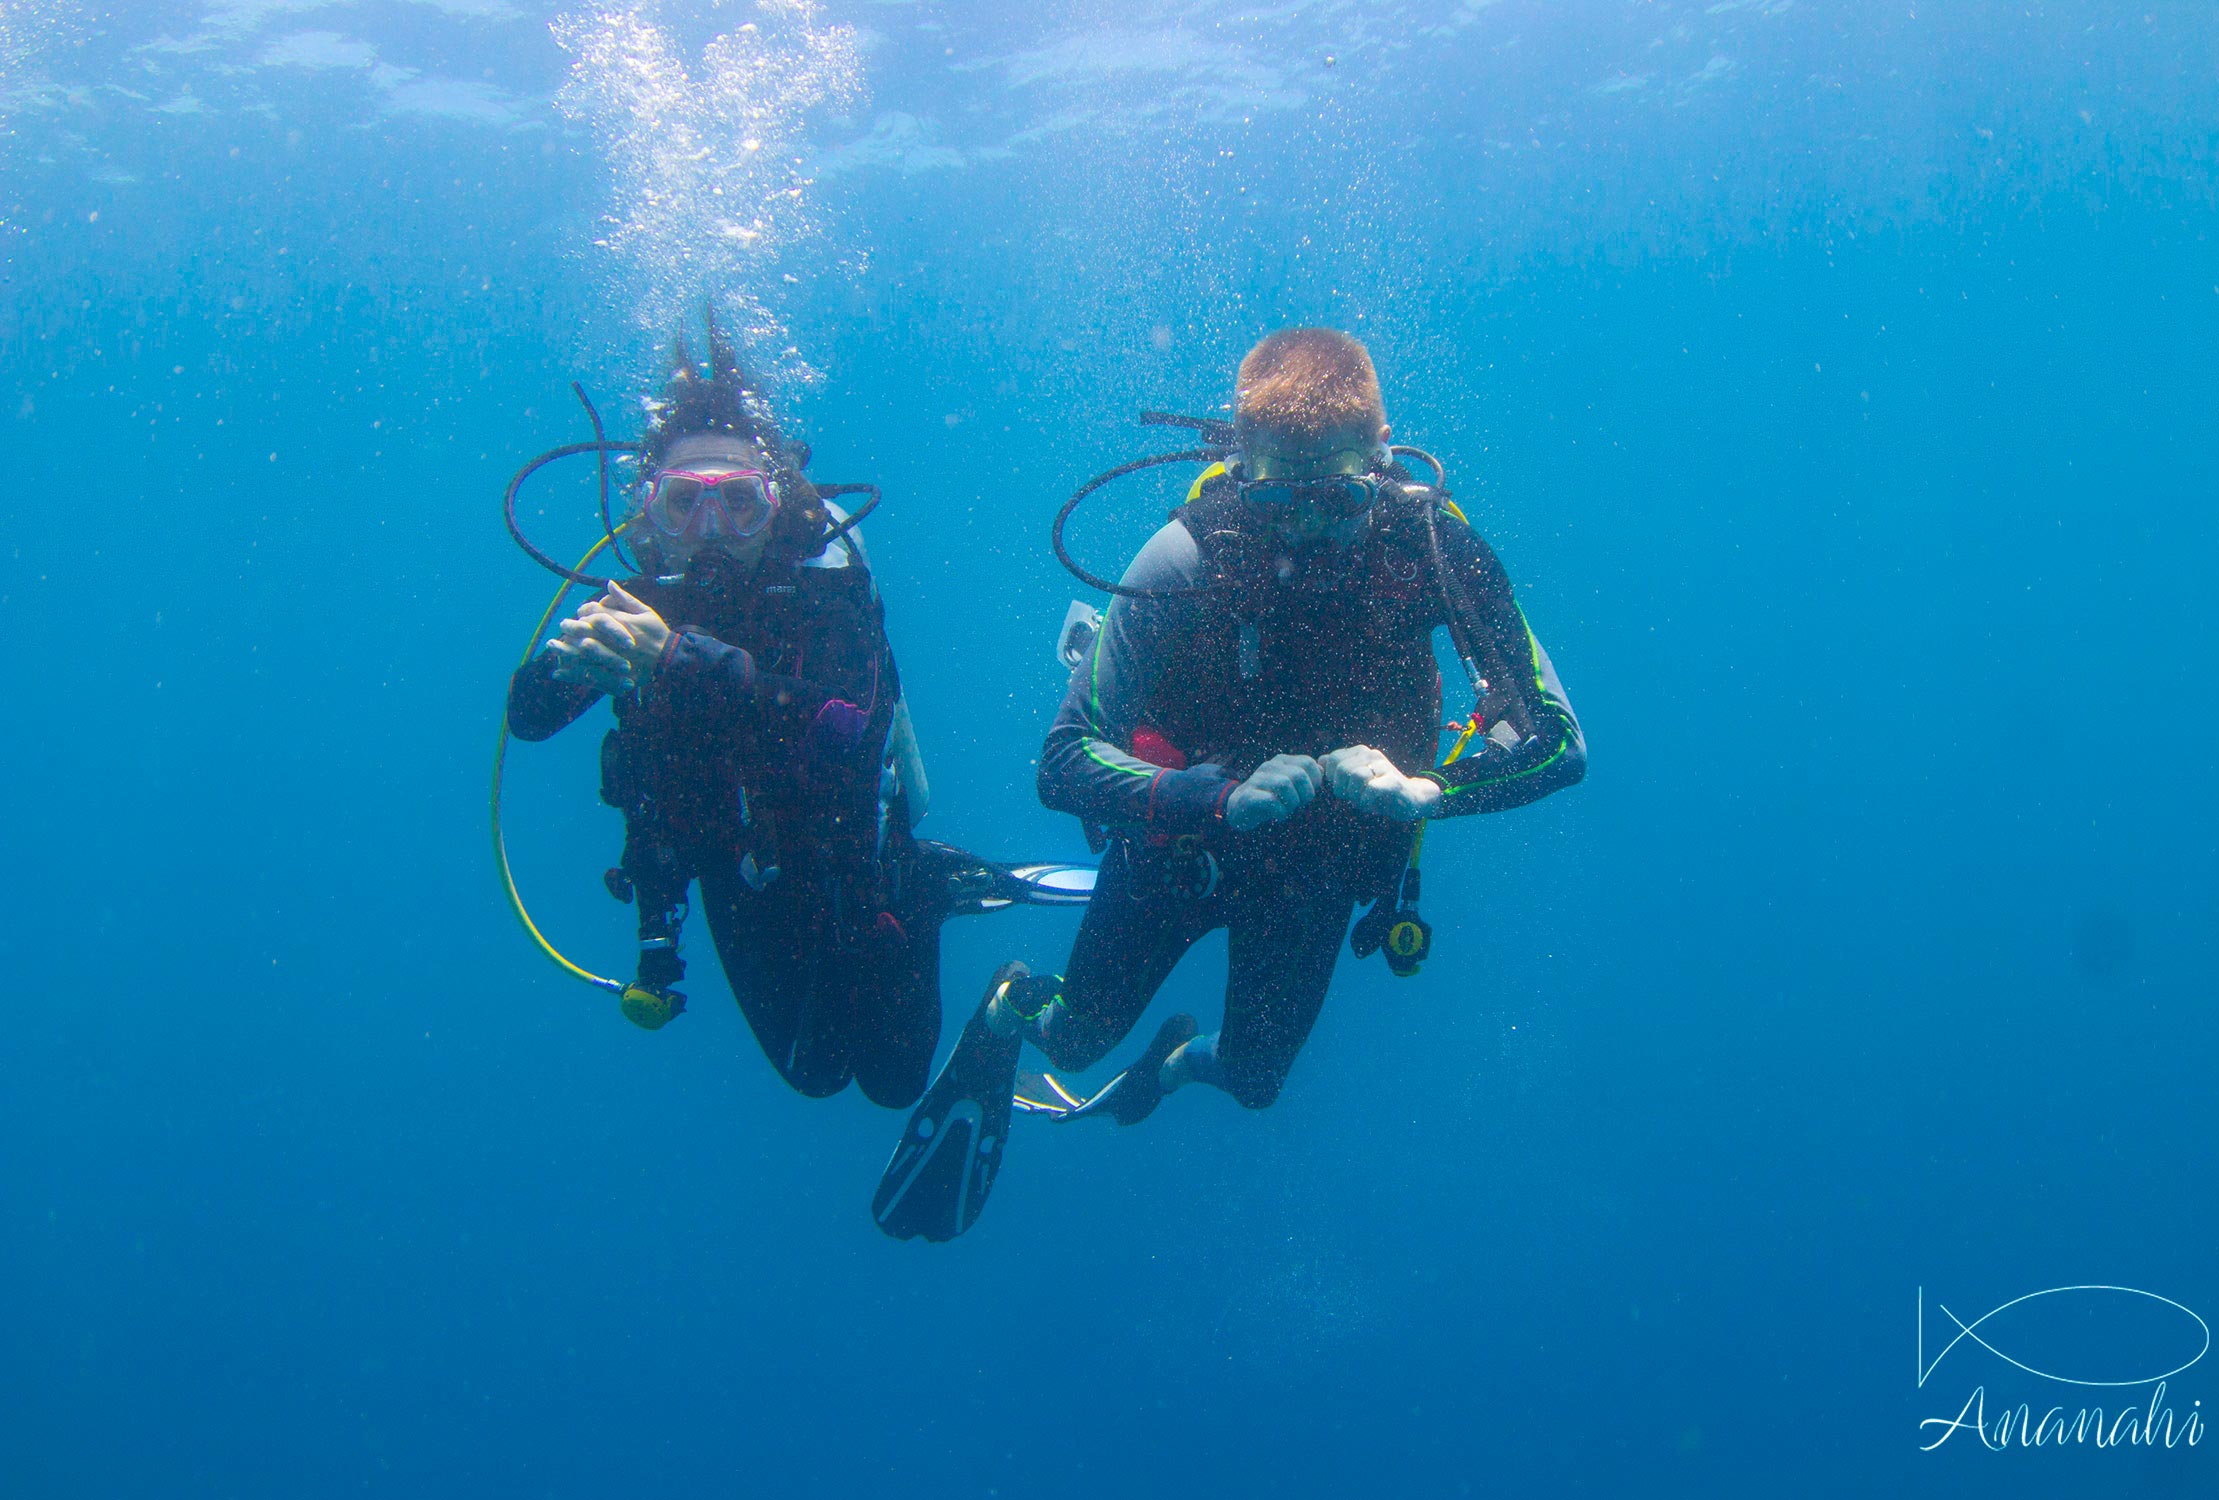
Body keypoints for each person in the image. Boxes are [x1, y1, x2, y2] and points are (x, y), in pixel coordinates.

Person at [874, 327, 1585, 1238]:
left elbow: (1559, 741)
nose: (1309, 532)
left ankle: (1170, 1065)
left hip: (1324, 863)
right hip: (1183, 850)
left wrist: (1428, 793)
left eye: (1336, 499)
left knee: (1253, 1080)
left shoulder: (1435, 547)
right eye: (1280, 500)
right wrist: (1216, 798)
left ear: (1382, 457)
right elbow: (1062, 758)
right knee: (1074, 1037)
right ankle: (1015, 1000)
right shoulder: (1184, 554)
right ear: (1242, 471)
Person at [508, 316, 1067, 1107]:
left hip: (854, 855)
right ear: (648, 516)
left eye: (739, 503)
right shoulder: (633, 607)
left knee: (893, 1082)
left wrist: (676, 658)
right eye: (683, 504)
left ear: (774, 508)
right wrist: (569, 665)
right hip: (734, 869)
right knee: (815, 1075)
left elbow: (849, 728)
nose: (711, 531)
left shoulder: (822, 591)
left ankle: (932, 891)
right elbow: (528, 720)